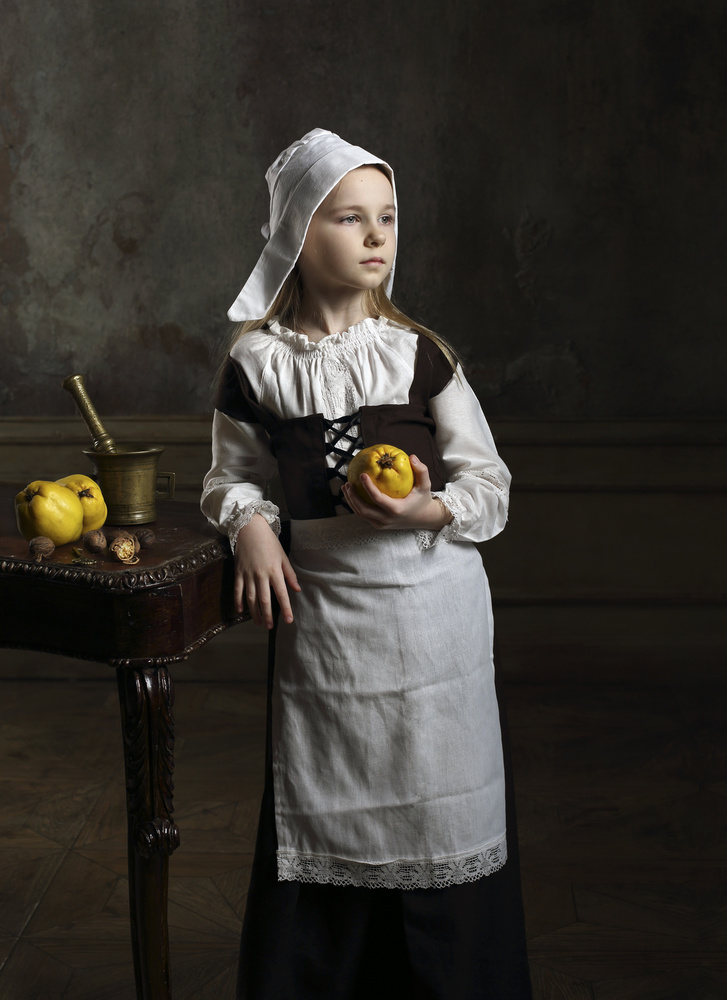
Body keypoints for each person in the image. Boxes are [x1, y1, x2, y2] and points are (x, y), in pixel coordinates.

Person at [202, 128, 532, 999]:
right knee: (331, 805)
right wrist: (253, 526)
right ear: (298, 235)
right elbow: (229, 477)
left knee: (436, 800)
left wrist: (426, 506)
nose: (378, 235)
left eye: (386, 217)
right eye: (350, 218)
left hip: (433, 620)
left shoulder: (420, 352)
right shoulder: (256, 364)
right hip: (328, 624)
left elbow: (487, 483)